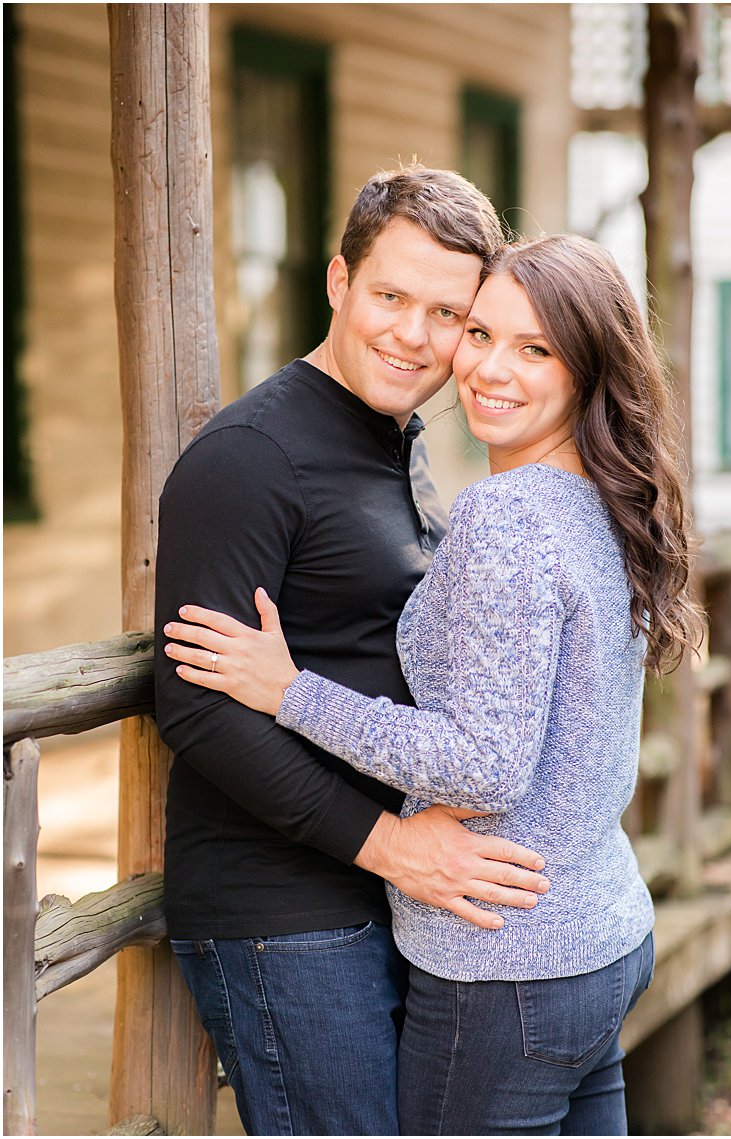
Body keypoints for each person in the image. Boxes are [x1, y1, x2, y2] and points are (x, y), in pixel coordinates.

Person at [164, 234, 706, 1134]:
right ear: (338, 283)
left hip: (506, 957)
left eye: (535, 349)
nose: (489, 367)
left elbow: (487, 765)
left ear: (589, 369)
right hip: (595, 928)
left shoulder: (507, 515)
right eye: (482, 333)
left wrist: (293, 690)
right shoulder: (601, 498)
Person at [154, 166, 552, 1136]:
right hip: (282, 908)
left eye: (446, 313)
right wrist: (393, 847)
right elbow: (196, 703)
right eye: (389, 296)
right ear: (337, 281)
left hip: (381, 888)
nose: (411, 336)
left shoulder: (389, 437)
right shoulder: (248, 455)